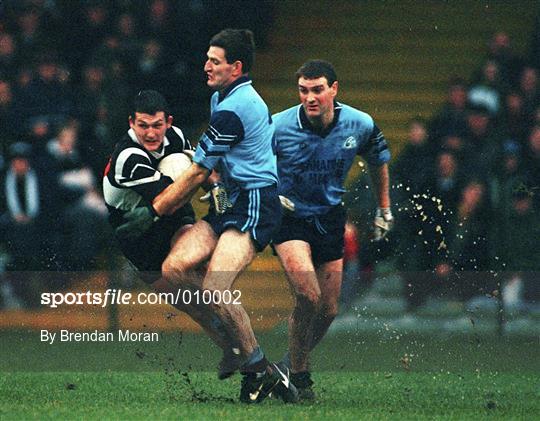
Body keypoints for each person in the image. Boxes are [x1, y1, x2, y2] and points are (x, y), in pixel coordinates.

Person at [137, 29, 297, 404]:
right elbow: (214, 166)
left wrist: (156, 209)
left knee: (214, 288)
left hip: (256, 203)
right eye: (207, 58)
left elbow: (194, 172)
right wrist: (216, 179)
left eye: (215, 60)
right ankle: (235, 345)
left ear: (236, 67)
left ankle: (258, 370)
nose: (206, 65)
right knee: (173, 269)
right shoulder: (219, 98)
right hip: (229, 202)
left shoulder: (236, 107)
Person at [272, 60, 392, 400]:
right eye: (303, 90)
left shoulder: (360, 123)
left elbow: (378, 159)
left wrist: (384, 207)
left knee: (328, 310)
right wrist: (268, 195)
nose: (310, 97)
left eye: (317, 90)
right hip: (289, 218)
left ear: (333, 90)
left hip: (330, 217)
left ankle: (285, 367)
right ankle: (300, 376)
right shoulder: (278, 126)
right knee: (308, 295)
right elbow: (251, 162)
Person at [103, 90, 238, 379]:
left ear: (169, 122)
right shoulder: (127, 156)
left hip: (172, 219)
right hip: (137, 235)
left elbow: (203, 171)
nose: (150, 133)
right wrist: (208, 184)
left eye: (157, 125)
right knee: (189, 303)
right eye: (143, 125)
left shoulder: (175, 137)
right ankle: (233, 348)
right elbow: (166, 199)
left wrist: (219, 190)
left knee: (197, 278)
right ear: (131, 123)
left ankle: (245, 349)